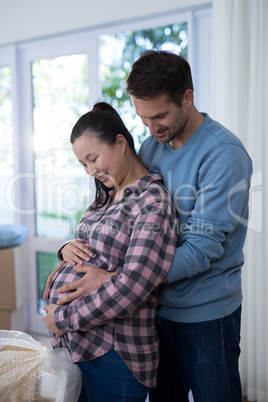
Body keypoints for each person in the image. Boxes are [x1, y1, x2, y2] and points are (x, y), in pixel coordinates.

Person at [45, 51, 253, 402]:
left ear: (187, 97)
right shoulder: (152, 145)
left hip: (205, 315)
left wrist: (122, 280)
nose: (152, 128)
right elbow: (116, 223)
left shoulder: (223, 154)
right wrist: (69, 250)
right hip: (153, 314)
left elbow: (202, 249)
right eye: (143, 118)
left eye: (160, 116)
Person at [42, 101, 178, 402]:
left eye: (93, 159)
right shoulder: (106, 198)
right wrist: (66, 250)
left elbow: (133, 286)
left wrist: (62, 319)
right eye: (83, 164)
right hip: (81, 347)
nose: (91, 170)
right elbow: (91, 249)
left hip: (114, 351)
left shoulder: (152, 202)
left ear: (120, 143)